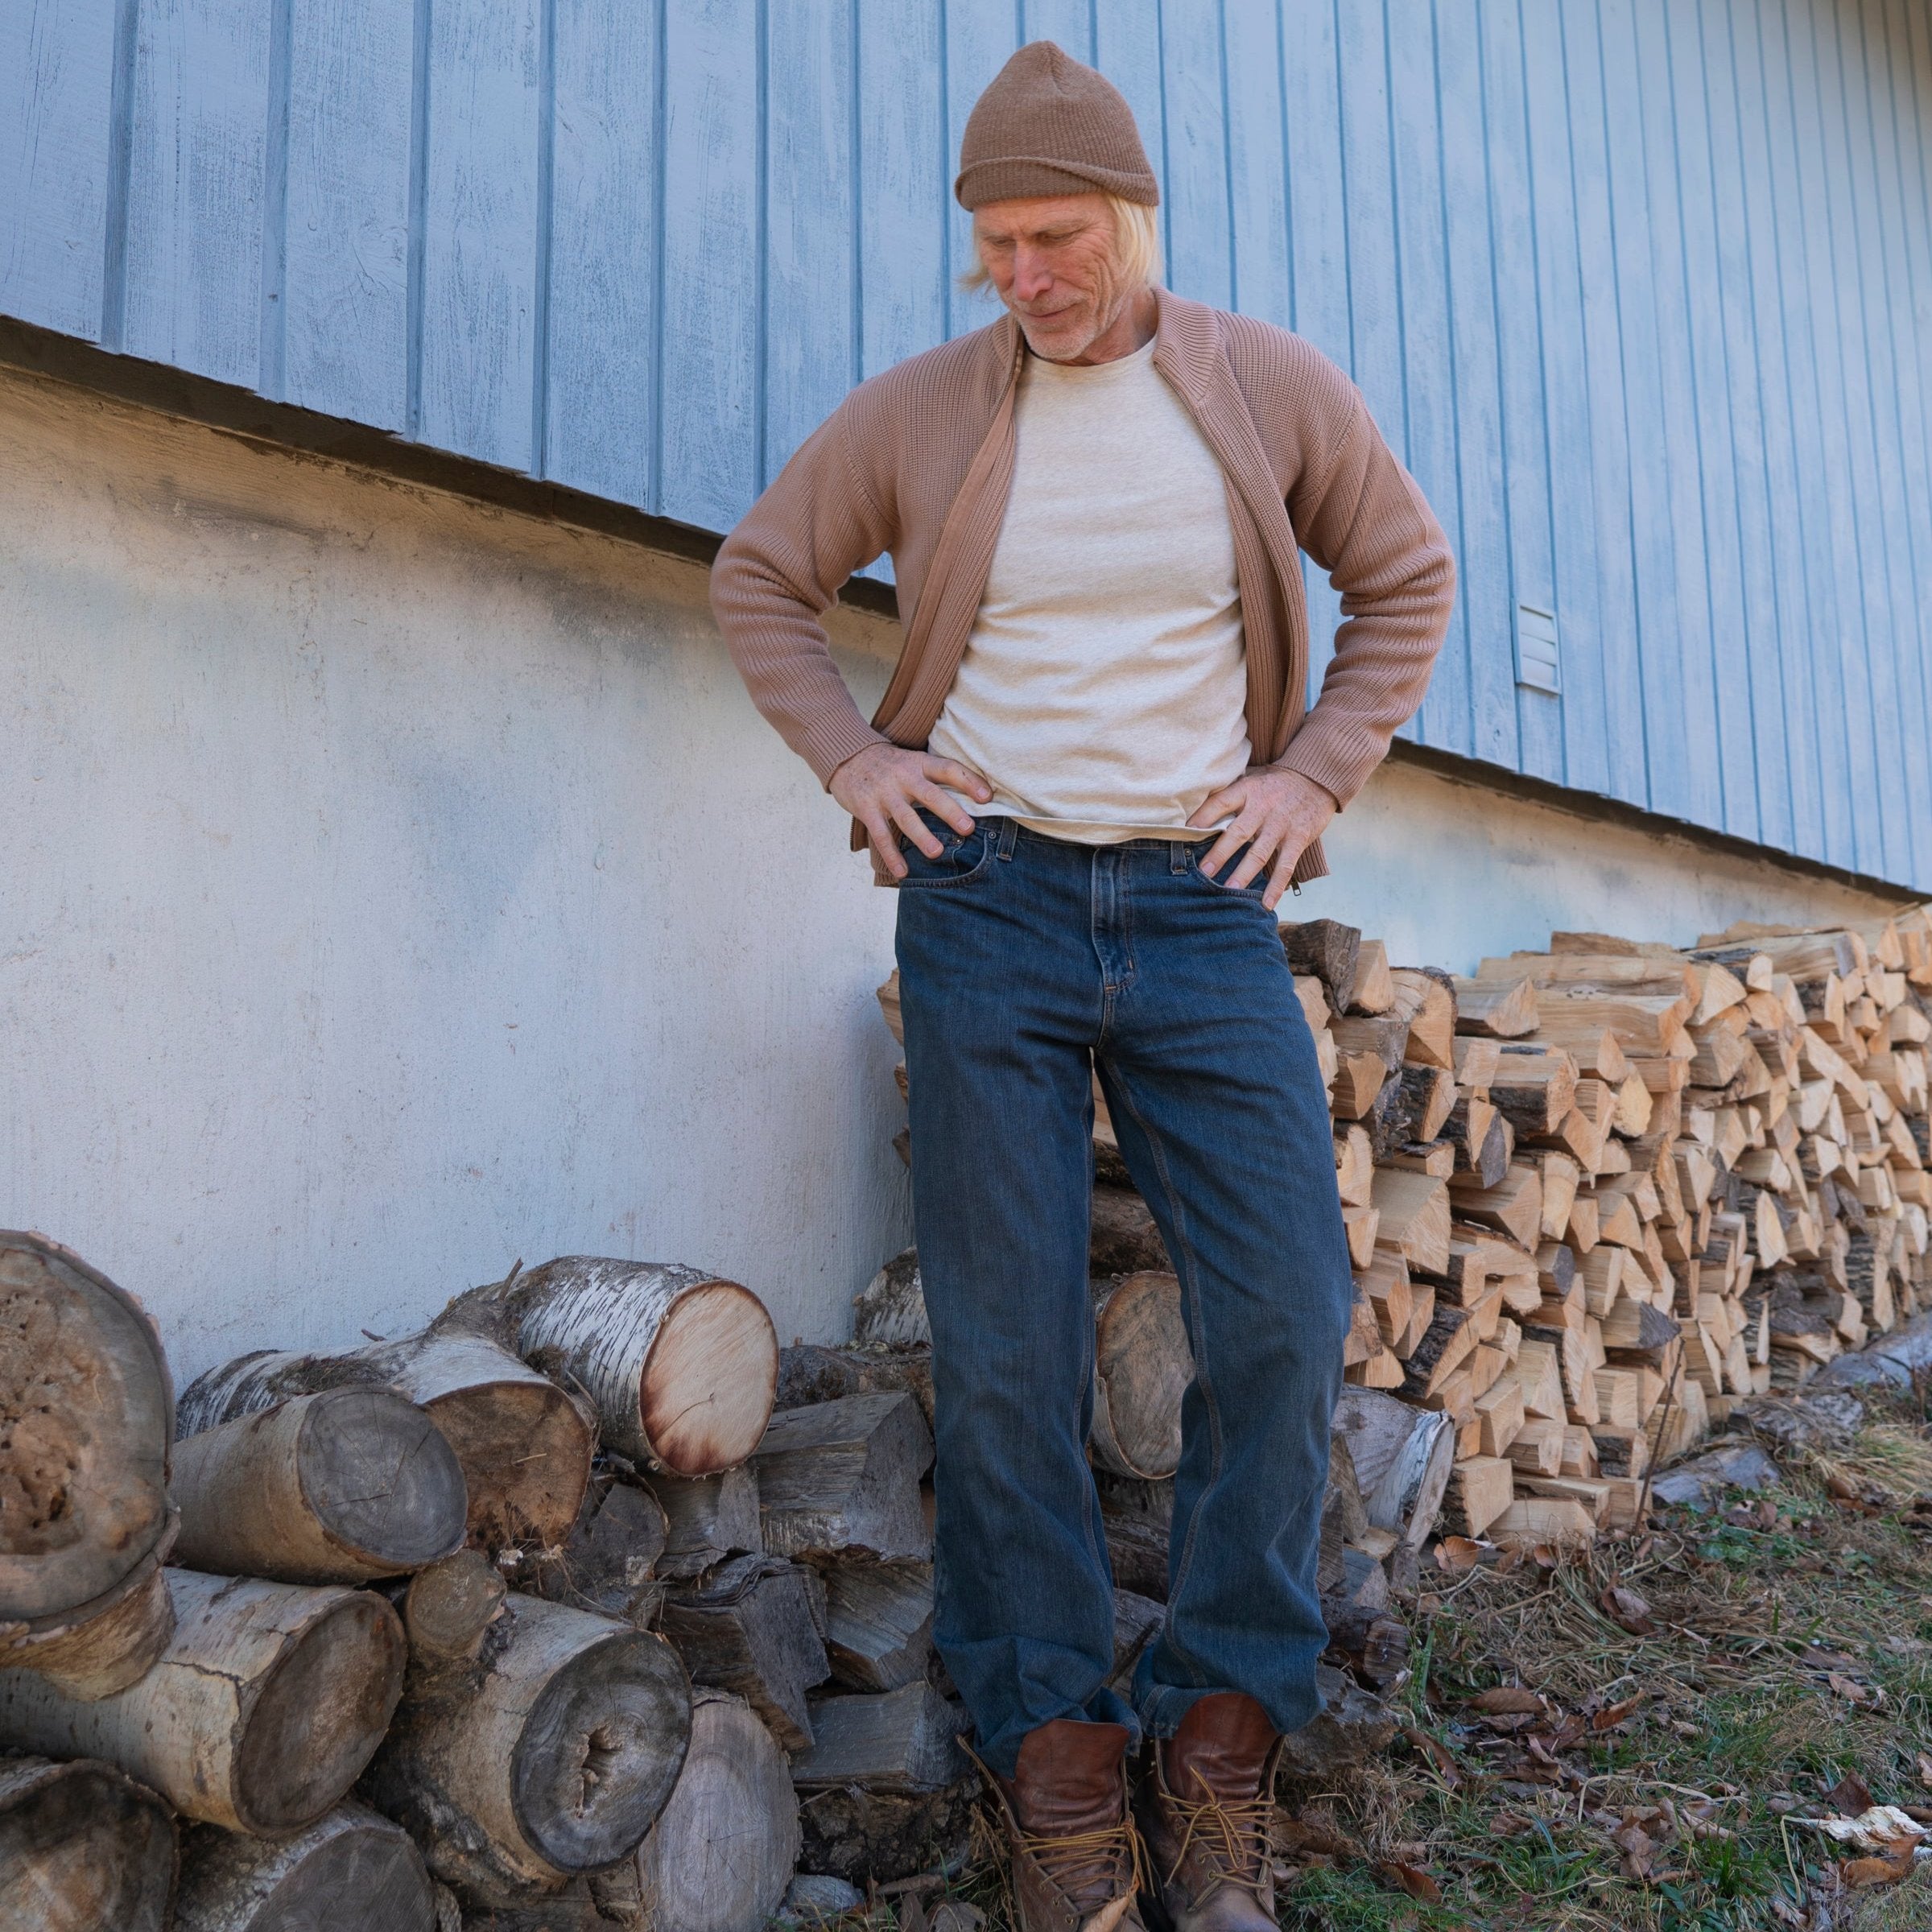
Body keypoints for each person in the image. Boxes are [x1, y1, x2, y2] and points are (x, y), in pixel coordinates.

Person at [713, 40, 1455, 1932]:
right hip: (989, 905)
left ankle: (1219, 1743)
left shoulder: (1262, 387)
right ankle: (1055, 1764)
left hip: (1206, 911)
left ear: (1131, 220)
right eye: (995, 245)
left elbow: (1405, 578)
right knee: (1010, 1343)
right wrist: (861, 765)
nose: (1026, 276)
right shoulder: (928, 412)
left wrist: (1312, 778)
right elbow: (761, 581)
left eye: (1055, 236)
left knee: (1287, 1305)